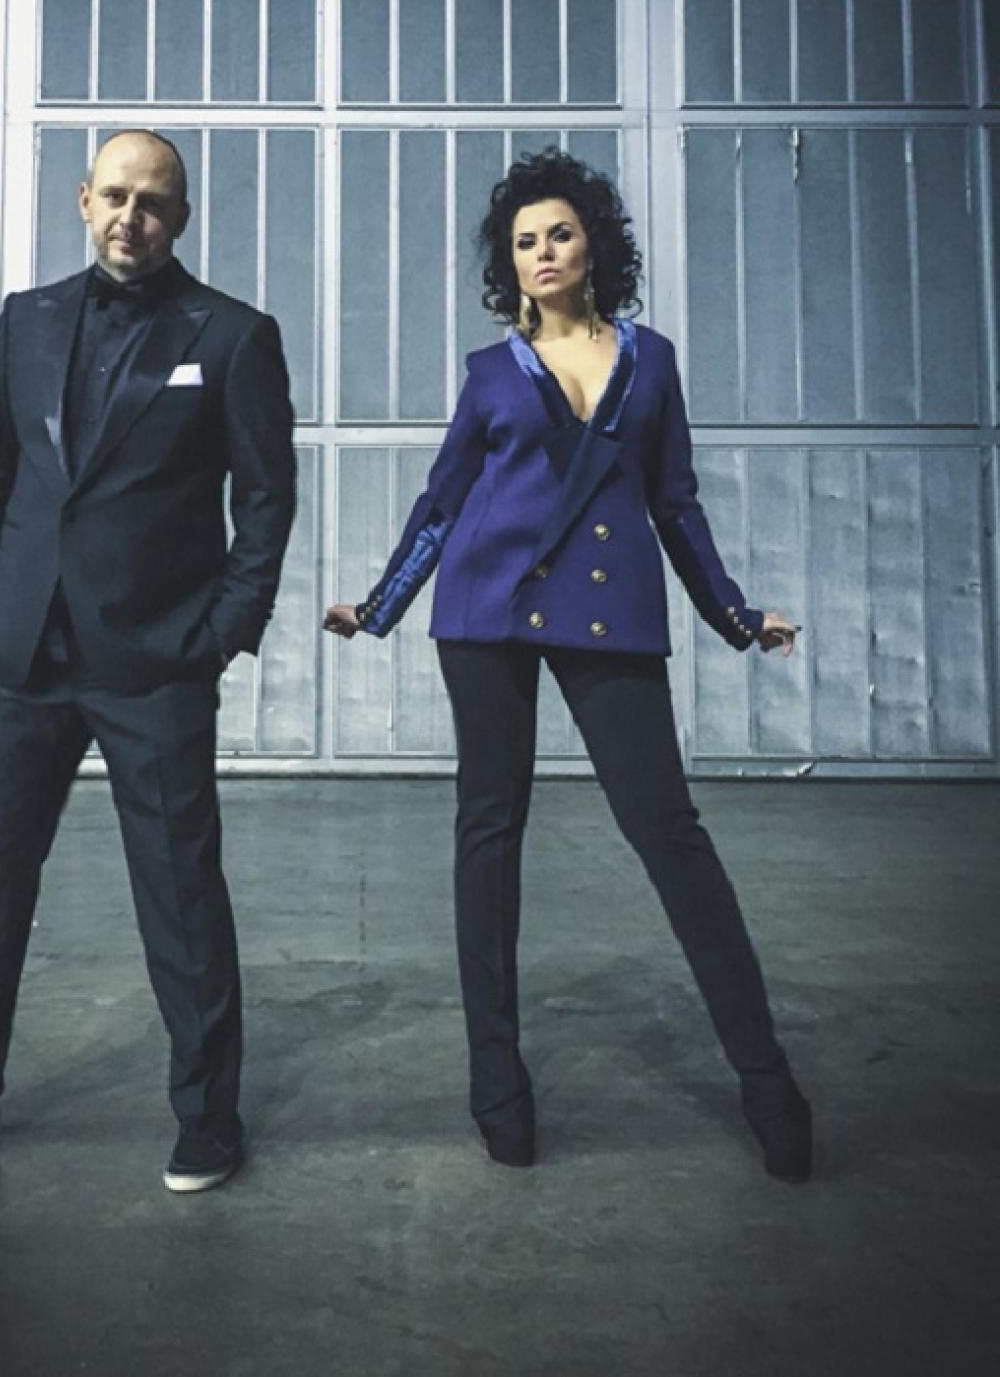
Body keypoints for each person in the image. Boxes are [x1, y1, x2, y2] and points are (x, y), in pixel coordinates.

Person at [324, 148, 811, 1181]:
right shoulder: (489, 372)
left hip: (607, 615)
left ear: (594, 246)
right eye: (523, 241)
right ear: (509, 264)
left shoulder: (651, 361)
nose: (542, 252)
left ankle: (767, 1079)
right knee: (488, 834)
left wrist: (734, 614)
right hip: (486, 613)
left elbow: (674, 503)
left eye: (559, 233)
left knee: (668, 831)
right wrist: (377, 606)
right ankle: (496, 1083)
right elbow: (443, 502)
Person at [0, 129, 296, 1193]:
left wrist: (219, 632)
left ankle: (208, 1115)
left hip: (154, 659)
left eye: (152, 201)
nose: (129, 216)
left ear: (179, 218)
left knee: (180, 889)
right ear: (82, 200)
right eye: (114, 195)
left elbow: (265, 500)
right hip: (22, 653)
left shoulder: (233, 336)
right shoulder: (27, 320)